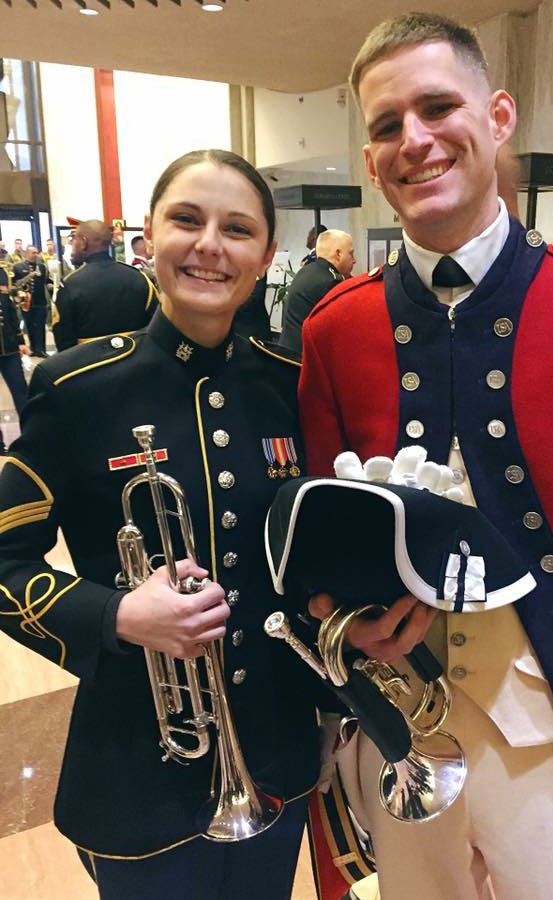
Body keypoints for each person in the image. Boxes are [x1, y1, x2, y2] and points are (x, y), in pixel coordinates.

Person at [298, 12, 553, 900]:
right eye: (385, 126)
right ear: (370, 161)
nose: (415, 140)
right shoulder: (335, 331)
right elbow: (319, 545)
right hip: (397, 742)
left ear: (499, 117)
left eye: (439, 106)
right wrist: (344, 626)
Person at [0, 149, 320, 899]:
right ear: (148, 236)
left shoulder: (290, 382)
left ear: (265, 256)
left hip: (274, 753)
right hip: (135, 768)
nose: (210, 244)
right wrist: (117, 614)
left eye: (237, 229)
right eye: (187, 219)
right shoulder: (79, 388)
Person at [52, 219, 158, 352]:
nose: (72, 244)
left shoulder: (70, 285)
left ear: (84, 242)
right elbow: (156, 324)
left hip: (88, 365)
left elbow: (63, 338)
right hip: (136, 362)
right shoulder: (139, 278)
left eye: (74, 239)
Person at [281, 228, 355, 355]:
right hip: (304, 361)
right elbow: (341, 330)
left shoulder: (307, 270)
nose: (354, 260)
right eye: (351, 254)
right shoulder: (330, 281)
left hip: (288, 352)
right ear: (338, 254)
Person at [0, 265, 28, 453]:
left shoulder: (4, 297)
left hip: (9, 351)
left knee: (21, 393)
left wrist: (20, 341)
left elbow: (12, 318)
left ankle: (29, 435)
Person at [12, 244, 49, 357]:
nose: (36, 255)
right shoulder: (17, 267)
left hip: (40, 300)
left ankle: (41, 349)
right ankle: (33, 348)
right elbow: (14, 285)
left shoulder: (42, 266)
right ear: (27, 253)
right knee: (30, 325)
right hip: (26, 302)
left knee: (41, 326)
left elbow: (46, 281)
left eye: (36, 252)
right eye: (33, 252)